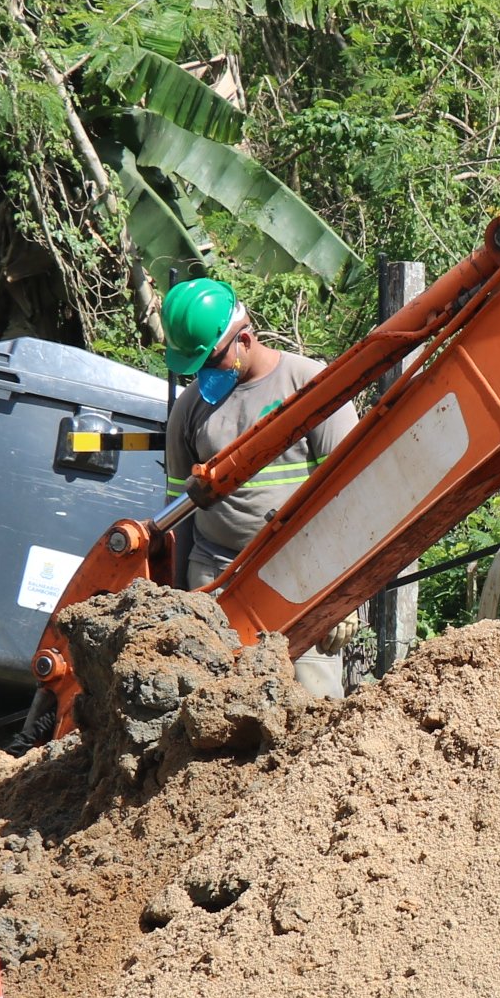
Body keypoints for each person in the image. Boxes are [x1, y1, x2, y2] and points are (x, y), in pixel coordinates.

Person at [161, 284, 358, 698]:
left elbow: (352, 499)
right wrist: (175, 605)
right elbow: (175, 519)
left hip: (302, 577)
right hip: (216, 578)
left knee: (312, 713)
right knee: (215, 713)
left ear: (244, 339)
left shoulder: (310, 385)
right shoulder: (190, 408)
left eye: (211, 363)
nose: (203, 376)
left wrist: (344, 596)